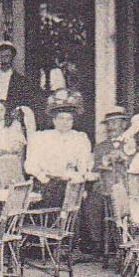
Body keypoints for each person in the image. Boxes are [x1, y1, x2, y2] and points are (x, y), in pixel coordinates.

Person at [25, 90, 92, 218]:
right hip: (47, 185)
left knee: (79, 206)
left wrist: (80, 179)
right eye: (61, 118)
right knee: (53, 209)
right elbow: (30, 165)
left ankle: (70, 234)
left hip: (71, 184)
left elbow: (84, 163)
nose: (64, 123)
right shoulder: (41, 138)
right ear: (54, 120)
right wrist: (43, 178)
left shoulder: (79, 138)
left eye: (69, 119)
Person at [85, 106, 133, 254]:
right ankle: (98, 243)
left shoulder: (132, 144)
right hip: (104, 187)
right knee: (92, 204)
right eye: (109, 124)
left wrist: (125, 159)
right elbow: (93, 170)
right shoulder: (100, 147)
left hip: (128, 188)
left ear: (124, 125)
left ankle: (123, 245)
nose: (111, 127)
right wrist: (103, 163)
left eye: (115, 123)